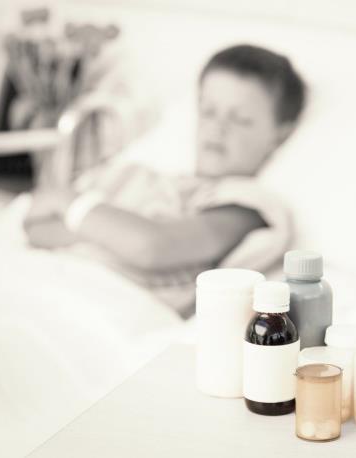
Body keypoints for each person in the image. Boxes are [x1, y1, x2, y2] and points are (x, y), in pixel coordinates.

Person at [23, 44, 306, 314]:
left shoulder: (245, 204)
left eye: (240, 119)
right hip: (41, 283)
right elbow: (35, 225)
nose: (217, 128)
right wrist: (116, 236)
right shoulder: (134, 175)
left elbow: (153, 248)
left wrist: (69, 205)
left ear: (280, 134)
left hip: (103, 306)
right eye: (208, 111)